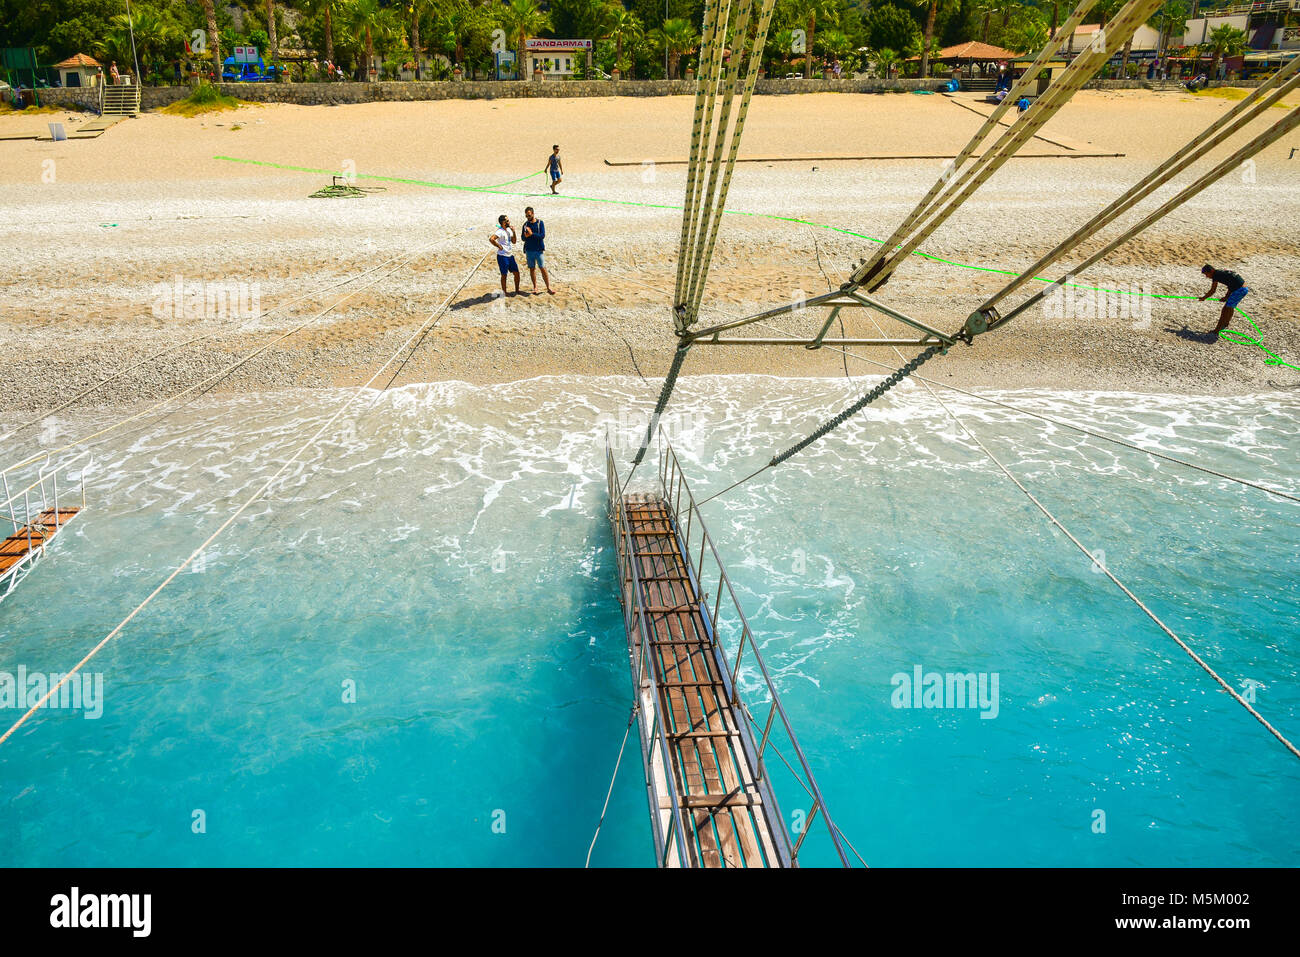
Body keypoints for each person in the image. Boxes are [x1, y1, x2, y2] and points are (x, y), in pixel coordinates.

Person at [1198, 264, 1249, 335]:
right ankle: (1226, 323)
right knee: (1230, 307)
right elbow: (1214, 290)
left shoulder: (1216, 275)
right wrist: (1204, 297)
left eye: (1207, 274)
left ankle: (1216, 330)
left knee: (1225, 310)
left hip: (1239, 290)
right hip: (1244, 288)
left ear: (1211, 271)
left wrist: (1226, 297)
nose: (1207, 276)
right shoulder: (1217, 273)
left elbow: (1215, 290)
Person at [520, 206, 553, 295]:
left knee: (542, 268)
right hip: (529, 250)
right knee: (532, 269)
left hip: (538, 250)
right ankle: (535, 287)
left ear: (533, 214)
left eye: (529, 215)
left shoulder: (540, 223)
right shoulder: (525, 225)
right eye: (526, 216)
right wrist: (526, 236)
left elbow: (542, 236)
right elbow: (522, 238)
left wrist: (531, 234)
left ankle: (548, 287)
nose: (528, 217)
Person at [490, 214, 521, 296]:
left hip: (510, 255)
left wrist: (514, 232)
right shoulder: (499, 231)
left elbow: (514, 241)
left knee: (517, 273)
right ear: (503, 222)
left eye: (508, 220)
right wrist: (498, 246)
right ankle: (504, 292)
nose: (509, 222)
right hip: (502, 256)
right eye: (507, 221)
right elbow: (491, 239)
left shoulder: (508, 230)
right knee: (504, 275)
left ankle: (517, 290)